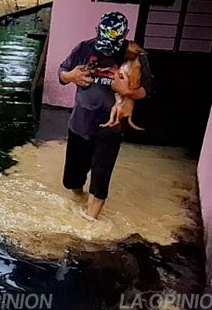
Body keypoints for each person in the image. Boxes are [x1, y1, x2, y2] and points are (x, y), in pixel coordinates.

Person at [57, 12, 153, 220]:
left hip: (111, 130)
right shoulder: (84, 48)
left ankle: (89, 221)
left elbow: (148, 89)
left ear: (125, 34)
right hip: (80, 125)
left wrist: (128, 92)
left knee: (100, 180)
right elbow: (62, 73)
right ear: (97, 32)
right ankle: (78, 200)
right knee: (72, 181)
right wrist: (71, 76)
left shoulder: (135, 55)